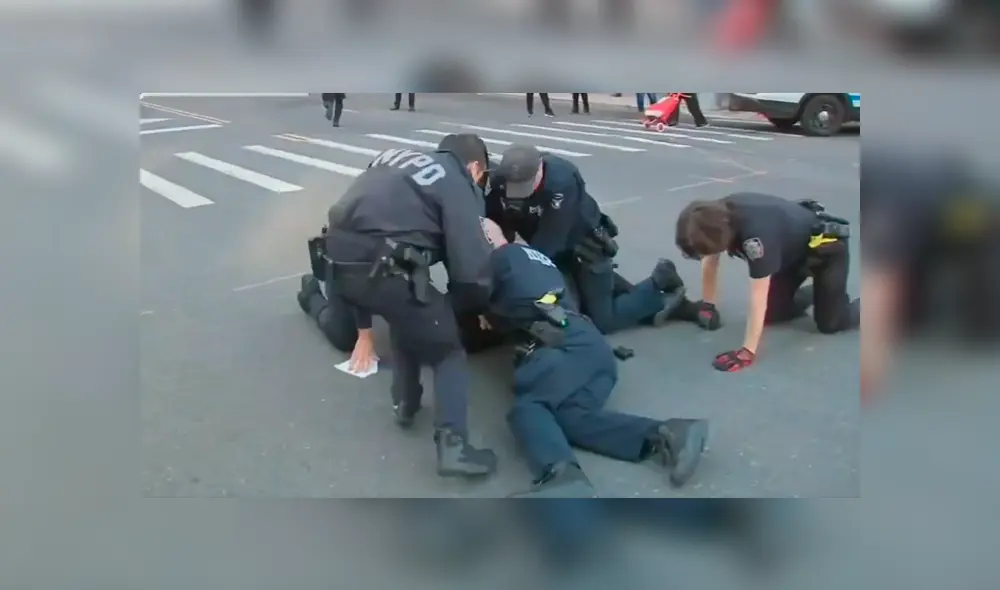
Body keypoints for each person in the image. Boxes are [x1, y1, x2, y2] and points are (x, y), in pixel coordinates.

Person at [475, 218, 708, 497]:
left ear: (486, 241)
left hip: (564, 347)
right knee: (571, 419)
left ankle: (563, 479)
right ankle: (667, 435)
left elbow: (468, 300)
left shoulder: (503, 258)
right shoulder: (532, 259)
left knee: (530, 408)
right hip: (589, 349)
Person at [315, 132, 499, 477]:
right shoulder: (456, 181)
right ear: (475, 167)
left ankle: (405, 402)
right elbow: (470, 268)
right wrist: (478, 307)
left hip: (338, 262)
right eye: (483, 176)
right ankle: (454, 447)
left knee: (410, 315)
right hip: (384, 266)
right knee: (447, 349)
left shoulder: (398, 160)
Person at [485, 144, 691, 335]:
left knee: (603, 321)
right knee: (574, 305)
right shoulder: (502, 178)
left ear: (540, 168)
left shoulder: (562, 180)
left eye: (525, 184)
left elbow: (550, 242)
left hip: (584, 247)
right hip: (554, 250)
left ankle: (660, 280)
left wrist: (516, 266)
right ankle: (637, 296)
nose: (519, 191)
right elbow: (494, 215)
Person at [675, 192, 861, 373]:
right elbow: (710, 259)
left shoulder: (755, 239)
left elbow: (758, 295)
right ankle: (822, 294)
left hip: (825, 251)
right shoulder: (711, 218)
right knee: (772, 314)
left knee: (830, 325)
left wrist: (747, 352)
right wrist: (708, 305)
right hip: (787, 255)